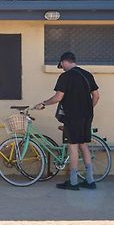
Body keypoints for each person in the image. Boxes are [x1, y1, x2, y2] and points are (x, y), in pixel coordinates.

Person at [34, 51, 100, 190]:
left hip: (72, 117)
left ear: (64, 61)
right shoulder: (87, 75)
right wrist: (88, 109)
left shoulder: (66, 76)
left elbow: (58, 97)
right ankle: (90, 180)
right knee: (83, 145)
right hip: (87, 116)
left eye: (61, 65)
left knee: (73, 146)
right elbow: (96, 96)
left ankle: (73, 182)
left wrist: (43, 103)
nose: (62, 67)